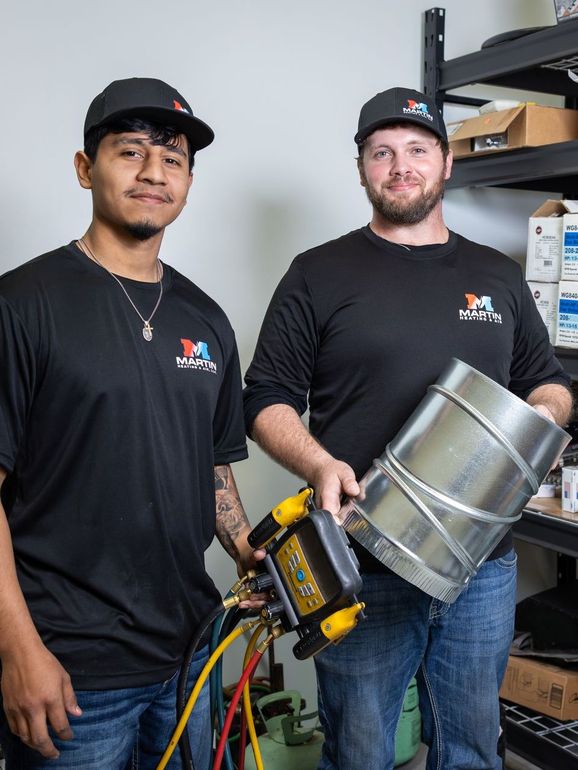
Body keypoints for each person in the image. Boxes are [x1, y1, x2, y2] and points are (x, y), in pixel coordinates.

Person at [243, 86, 573, 770]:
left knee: (473, 747)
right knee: (361, 748)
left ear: (446, 164)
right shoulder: (318, 274)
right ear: (361, 167)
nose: (401, 166)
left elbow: (547, 378)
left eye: (418, 150)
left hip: (482, 564)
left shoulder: (495, 275)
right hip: (363, 559)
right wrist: (317, 464)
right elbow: (266, 397)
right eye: (382, 152)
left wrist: (541, 418)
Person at [0, 77, 260, 769]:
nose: (154, 173)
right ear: (86, 168)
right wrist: (19, 651)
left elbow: (208, 464)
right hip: (70, 671)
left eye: (173, 159)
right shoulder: (22, 304)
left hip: (188, 654)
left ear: (188, 181)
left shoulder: (205, 318)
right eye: (131, 152)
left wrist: (248, 551)